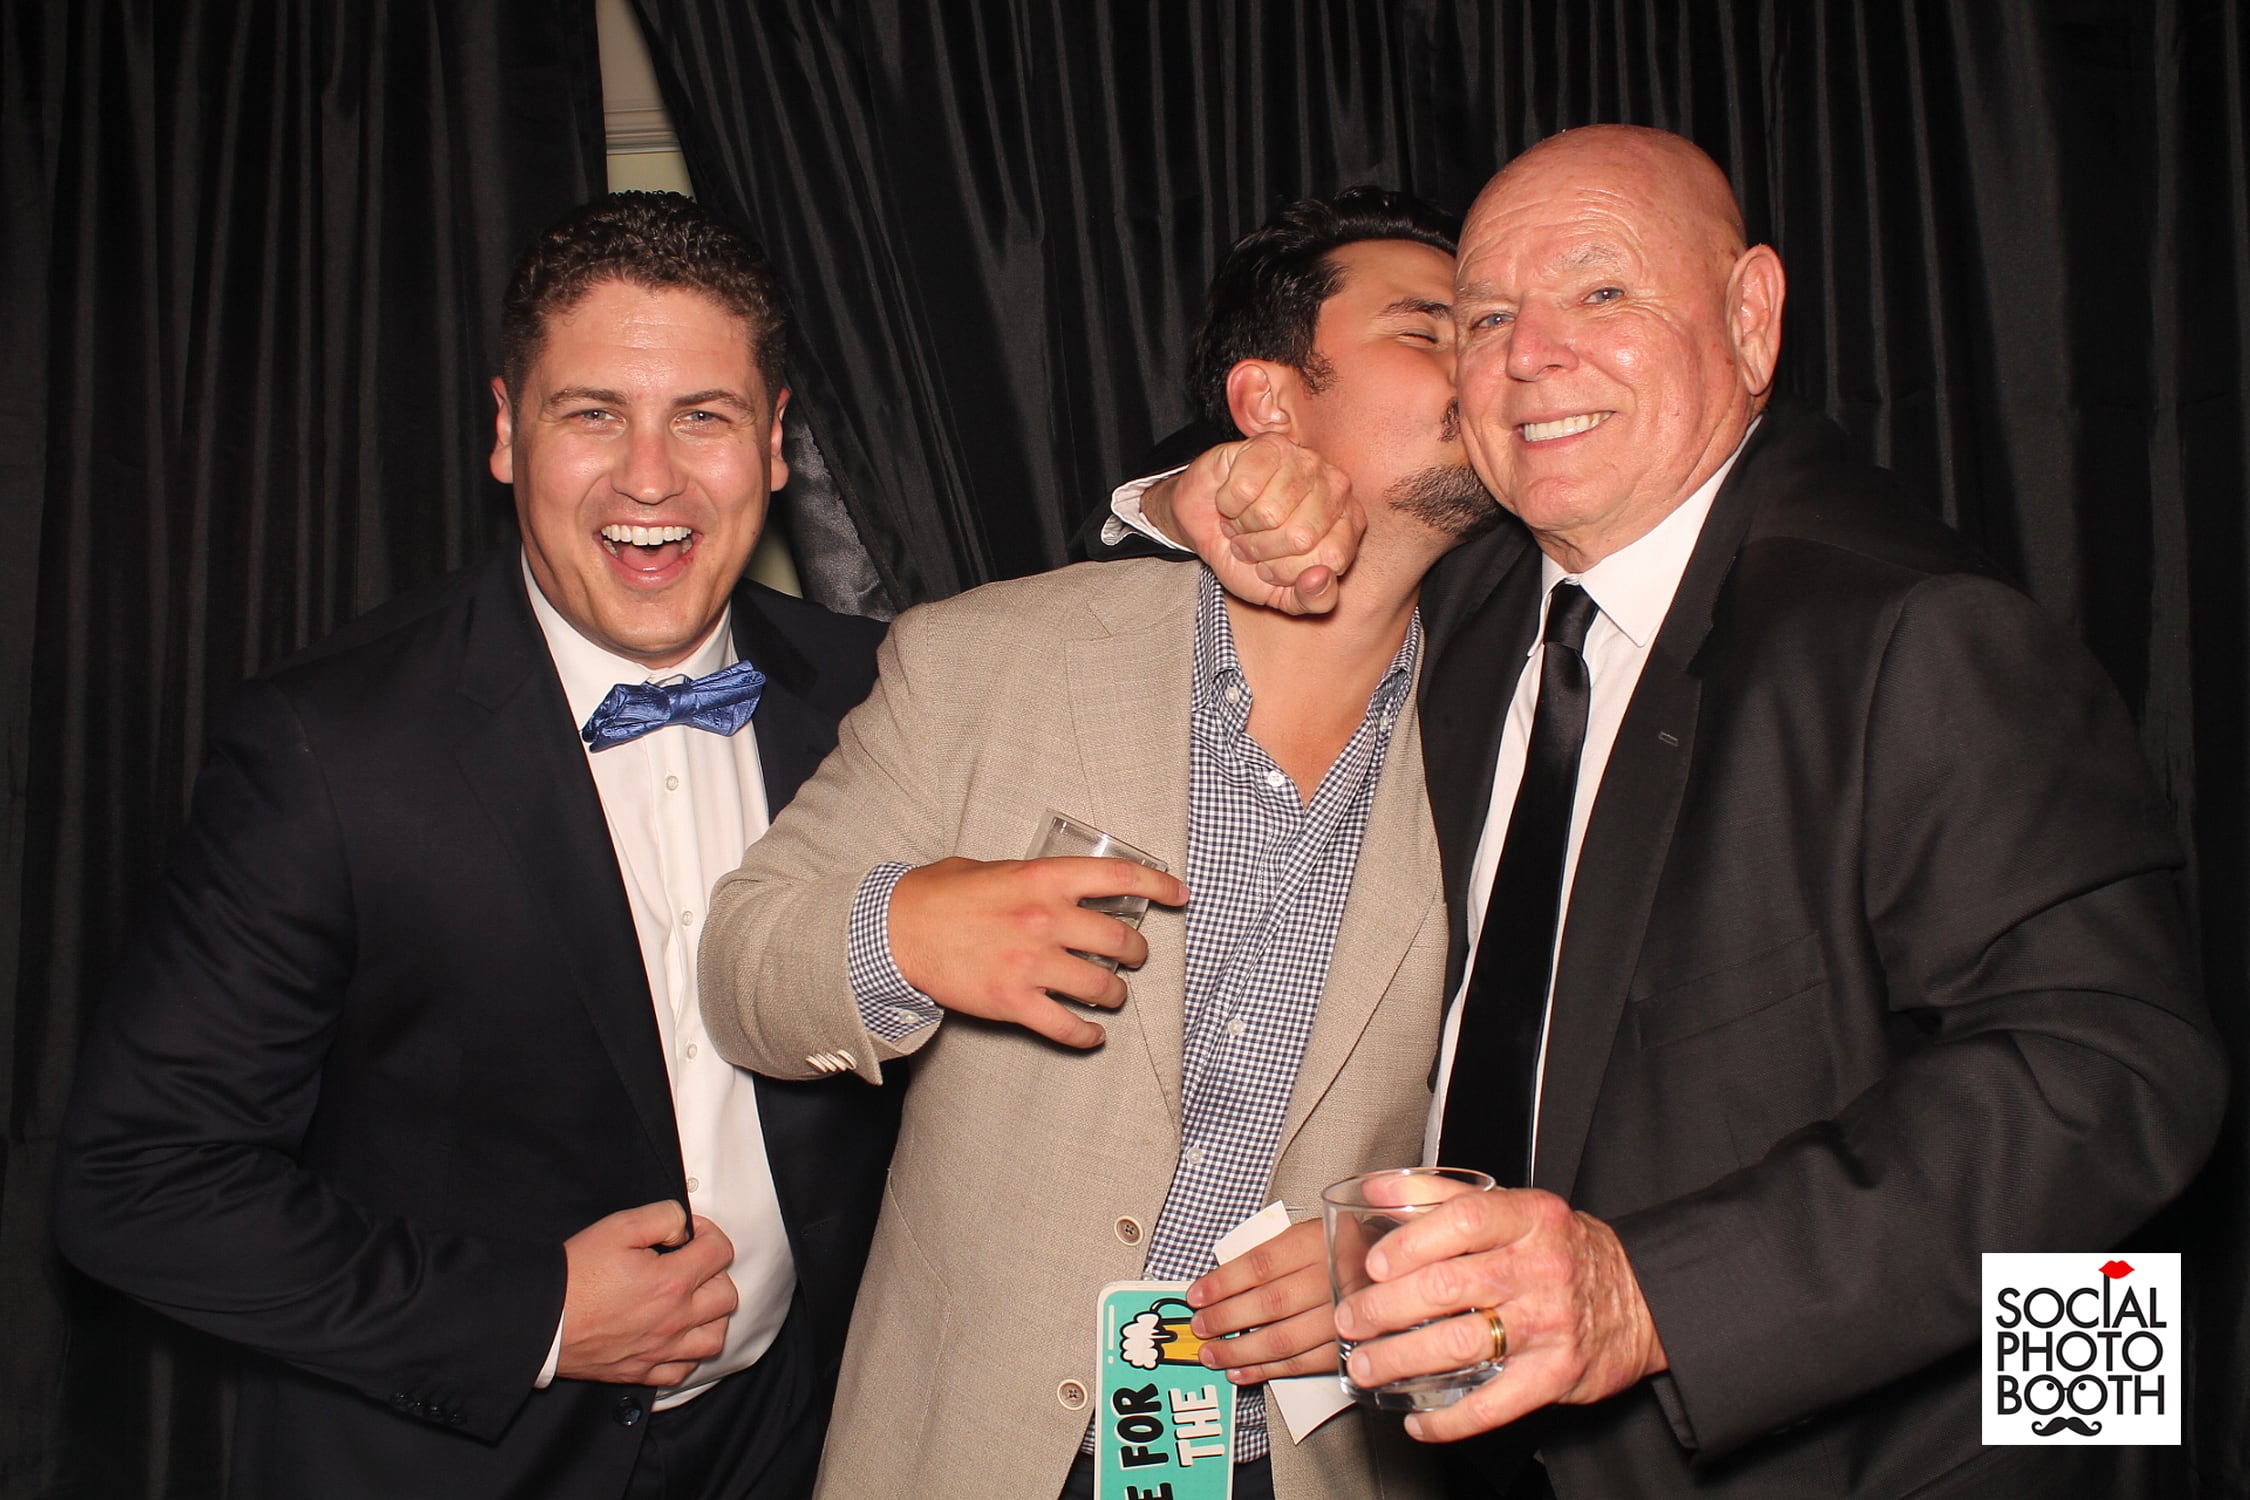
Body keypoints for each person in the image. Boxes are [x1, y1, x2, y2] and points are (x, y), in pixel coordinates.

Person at [1127, 126, 2226, 1499]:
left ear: (1750, 319)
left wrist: (1649, 1295)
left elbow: (2116, 1073)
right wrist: (1193, 487)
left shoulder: (1912, 629)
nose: (1531, 355)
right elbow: (1239, 498)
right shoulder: (1479, 599)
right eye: (1485, 317)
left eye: (1601, 293)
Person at [54, 192, 898, 1500]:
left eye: (704, 417)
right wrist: (537, 1315)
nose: (651, 478)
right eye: (593, 413)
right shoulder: (329, 748)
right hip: (457, 1463)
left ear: (776, 443)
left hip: (787, 1447)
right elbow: (136, 1182)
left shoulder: (878, 695)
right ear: (507, 432)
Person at [697, 188, 1493, 1500]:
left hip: (1303, 1458)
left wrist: (1392, 1262)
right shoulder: (987, 660)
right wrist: (901, 930)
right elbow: (741, 964)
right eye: (1431, 327)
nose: (1488, 358)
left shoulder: (1511, 734)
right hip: (973, 1455)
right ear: (1270, 400)